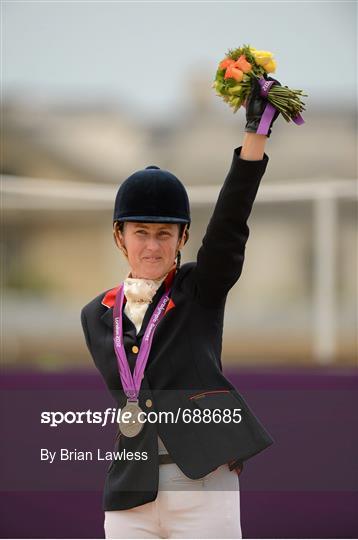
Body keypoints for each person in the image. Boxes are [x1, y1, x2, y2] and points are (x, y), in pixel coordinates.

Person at [80, 75, 280, 539]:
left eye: (165, 234)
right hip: (132, 489)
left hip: (203, 482)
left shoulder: (198, 290)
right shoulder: (95, 316)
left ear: (182, 239)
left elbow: (230, 226)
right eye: (141, 233)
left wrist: (255, 138)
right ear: (119, 237)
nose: (152, 246)